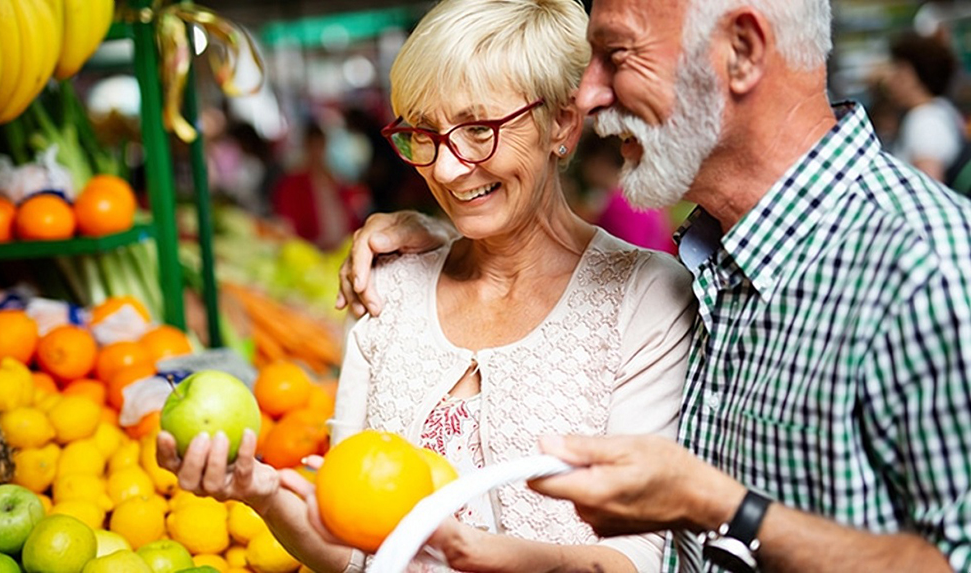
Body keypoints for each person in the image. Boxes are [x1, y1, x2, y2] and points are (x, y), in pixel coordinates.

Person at [338, 0, 971, 571]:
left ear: (742, 52)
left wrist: (715, 504)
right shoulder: (719, 258)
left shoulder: (927, 264)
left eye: (615, 56)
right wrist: (451, 234)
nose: (586, 96)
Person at [158, 1, 695, 572]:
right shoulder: (388, 288)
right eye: (424, 134)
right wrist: (263, 495)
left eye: (477, 130)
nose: (445, 168)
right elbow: (351, 547)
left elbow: (637, 558)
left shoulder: (646, 301)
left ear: (561, 123)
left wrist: (474, 555)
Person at [881, 31, 966, 182]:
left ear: (915, 76)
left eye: (898, 71)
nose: (889, 80)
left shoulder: (924, 121)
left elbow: (931, 184)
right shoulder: (942, 109)